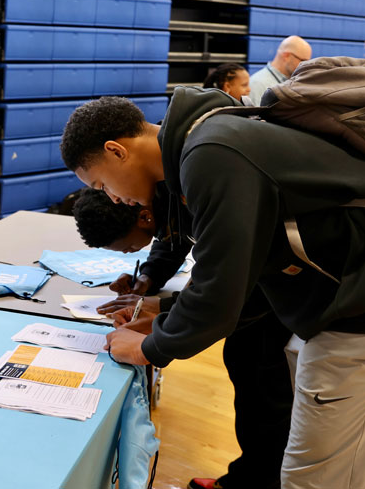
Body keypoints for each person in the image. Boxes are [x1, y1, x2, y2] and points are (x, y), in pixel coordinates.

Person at [60, 94, 365, 488]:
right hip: (336, 303)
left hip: (351, 309)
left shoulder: (210, 153)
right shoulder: (200, 144)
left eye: (102, 184)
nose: (113, 197)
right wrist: (167, 321)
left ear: (116, 151)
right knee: (341, 458)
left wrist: (149, 348)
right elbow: (242, 280)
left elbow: (218, 291)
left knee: (309, 476)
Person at [74, 187, 293, 489]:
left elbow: (221, 294)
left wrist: (159, 320)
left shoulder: (200, 192)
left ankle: (261, 480)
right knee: (246, 370)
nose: (115, 193)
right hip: (259, 300)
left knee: (266, 392)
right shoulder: (162, 198)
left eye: (126, 249)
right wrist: (148, 279)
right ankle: (249, 476)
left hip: (277, 302)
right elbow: (172, 238)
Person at [249, 36, 312, 105]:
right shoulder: (258, 84)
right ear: (286, 56)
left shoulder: (296, 82)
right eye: (303, 61)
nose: (305, 65)